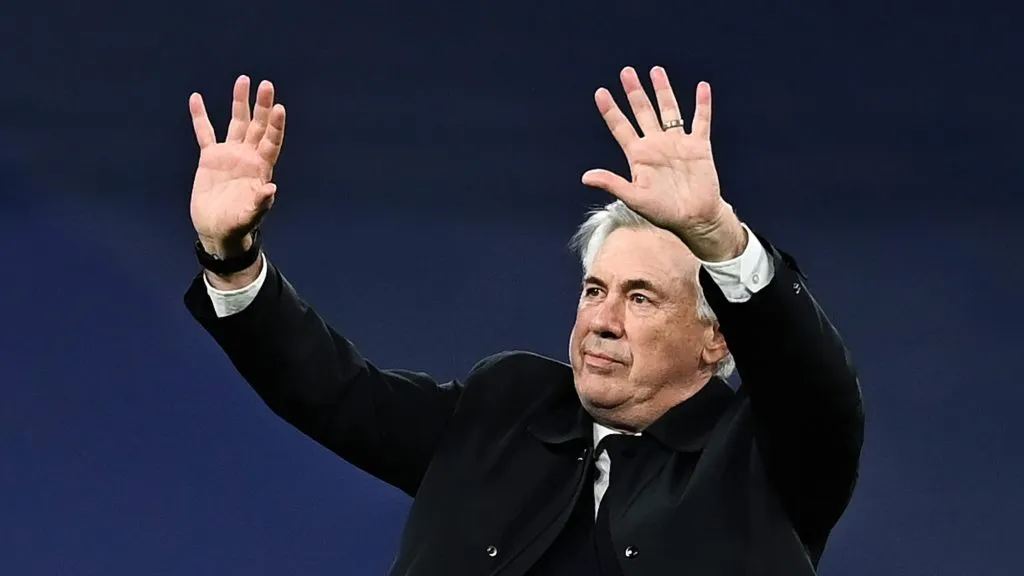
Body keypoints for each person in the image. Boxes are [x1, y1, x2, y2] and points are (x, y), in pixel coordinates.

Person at [183, 66, 864, 575]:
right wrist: (232, 260)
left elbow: (814, 383)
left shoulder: (763, 457)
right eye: (595, 290)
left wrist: (718, 237)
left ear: (716, 338)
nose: (602, 320)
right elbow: (336, 392)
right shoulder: (507, 409)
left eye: (640, 299)